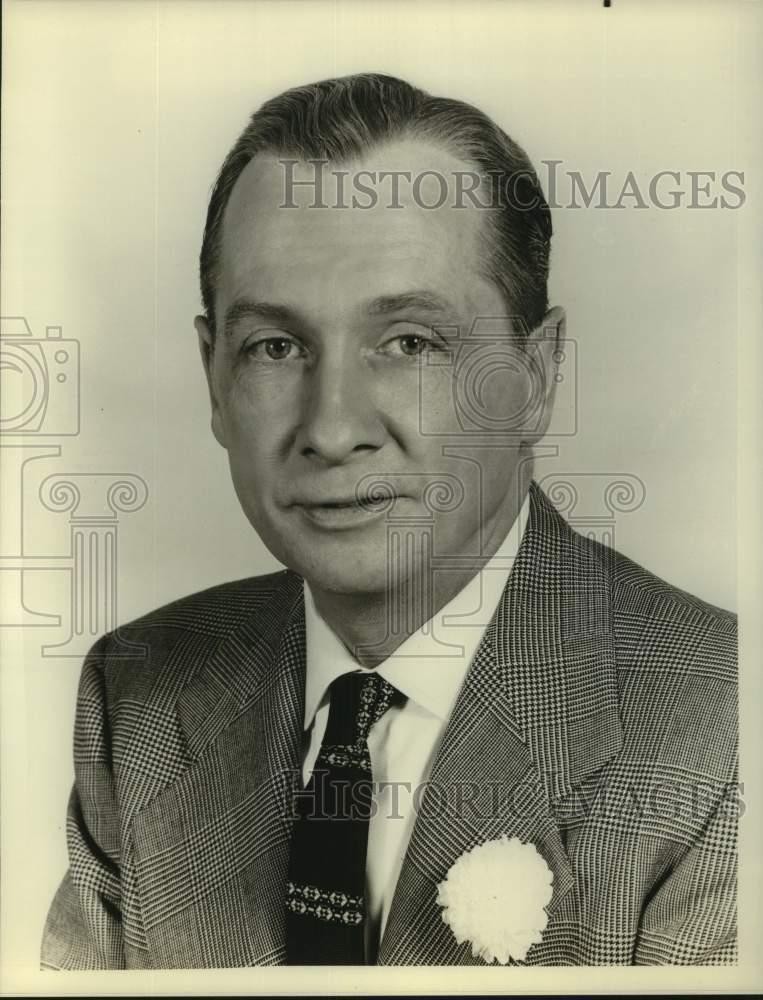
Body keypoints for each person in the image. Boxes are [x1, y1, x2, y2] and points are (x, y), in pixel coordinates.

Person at [41, 73, 737, 969]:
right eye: (276, 347)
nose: (331, 429)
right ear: (212, 378)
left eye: (409, 342)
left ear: (534, 376)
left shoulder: (722, 738)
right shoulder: (140, 697)